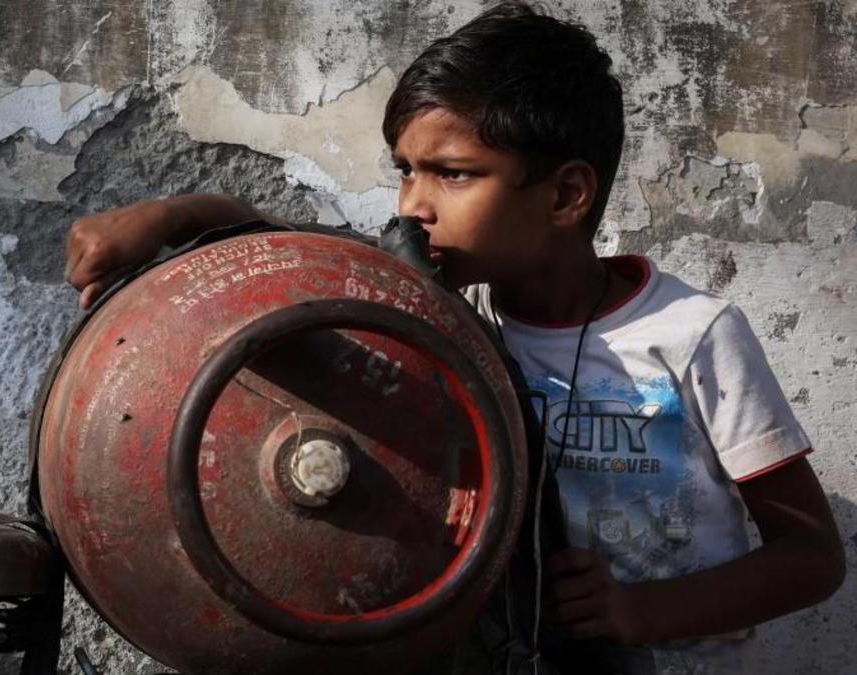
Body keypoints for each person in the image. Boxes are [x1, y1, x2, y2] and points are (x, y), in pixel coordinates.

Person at [62, 3, 845, 672]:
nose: (414, 205)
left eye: (453, 173)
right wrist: (181, 215)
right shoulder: (428, 319)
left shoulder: (690, 336)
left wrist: (639, 611)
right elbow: (306, 268)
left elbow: (810, 557)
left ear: (567, 193)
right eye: (405, 170)